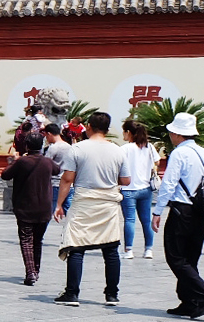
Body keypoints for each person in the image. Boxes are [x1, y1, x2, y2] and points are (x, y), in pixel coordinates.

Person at [53, 111, 130, 305]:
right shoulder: (117, 150)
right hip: (108, 204)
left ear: (88, 126)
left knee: (76, 247)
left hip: (84, 202)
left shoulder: (78, 149)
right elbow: (126, 180)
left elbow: (67, 179)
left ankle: (72, 293)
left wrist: (59, 204)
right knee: (111, 248)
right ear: (107, 129)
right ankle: (112, 294)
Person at [152, 113, 204, 318]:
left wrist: (158, 211)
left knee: (175, 257)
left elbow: (169, 184)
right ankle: (190, 301)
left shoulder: (179, 154)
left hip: (182, 209)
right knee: (191, 258)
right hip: (202, 211)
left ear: (176, 133)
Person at [2, 131, 60, 285]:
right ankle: (36, 270)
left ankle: (30, 272)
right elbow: (57, 170)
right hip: (44, 207)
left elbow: (5, 175)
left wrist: (14, 161)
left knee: (26, 240)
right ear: (41, 145)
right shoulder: (47, 162)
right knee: (38, 240)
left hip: (25, 206)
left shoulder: (22, 162)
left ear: (27, 145)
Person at [119, 122, 159, 259]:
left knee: (129, 220)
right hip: (145, 188)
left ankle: (128, 250)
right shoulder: (149, 147)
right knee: (146, 220)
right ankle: (148, 249)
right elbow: (157, 162)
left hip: (128, 189)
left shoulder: (125, 148)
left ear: (129, 132)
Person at [43, 124, 70, 210]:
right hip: (68, 184)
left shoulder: (53, 148)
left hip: (55, 183)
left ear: (49, 134)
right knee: (69, 211)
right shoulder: (69, 147)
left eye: (46, 136)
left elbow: (45, 164)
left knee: (49, 210)